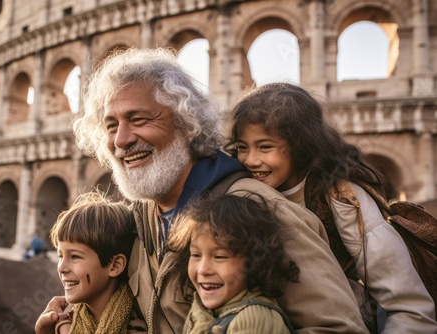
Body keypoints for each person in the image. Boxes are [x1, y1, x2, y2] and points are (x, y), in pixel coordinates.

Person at [36, 47, 368, 334]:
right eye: (111, 126)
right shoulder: (140, 220)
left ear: (185, 124)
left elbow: (336, 326)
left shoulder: (260, 209)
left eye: (138, 119)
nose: (121, 140)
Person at [227, 82, 437, 333]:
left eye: (265, 147)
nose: (250, 160)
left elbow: (408, 305)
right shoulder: (243, 192)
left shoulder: (343, 198)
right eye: (242, 147)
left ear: (301, 144)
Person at [167, 192, 299, 333]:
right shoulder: (204, 309)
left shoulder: (252, 319)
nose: (203, 269)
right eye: (196, 255)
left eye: (219, 257)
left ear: (254, 262)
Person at [45, 191, 146, 334]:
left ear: (115, 265)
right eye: (60, 256)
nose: (61, 268)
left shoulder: (139, 328)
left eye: (75, 257)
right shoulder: (67, 320)